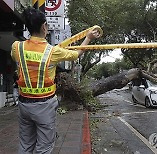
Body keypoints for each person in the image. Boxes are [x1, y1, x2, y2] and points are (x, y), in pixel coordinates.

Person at [11, 7, 101, 154]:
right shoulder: (53, 52)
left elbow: (20, 59)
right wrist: (88, 38)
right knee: (44, 147)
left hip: (24, 104)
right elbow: (76, 54)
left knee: (26, 145)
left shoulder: (17, 47)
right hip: (44, 105)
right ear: (44, 26)